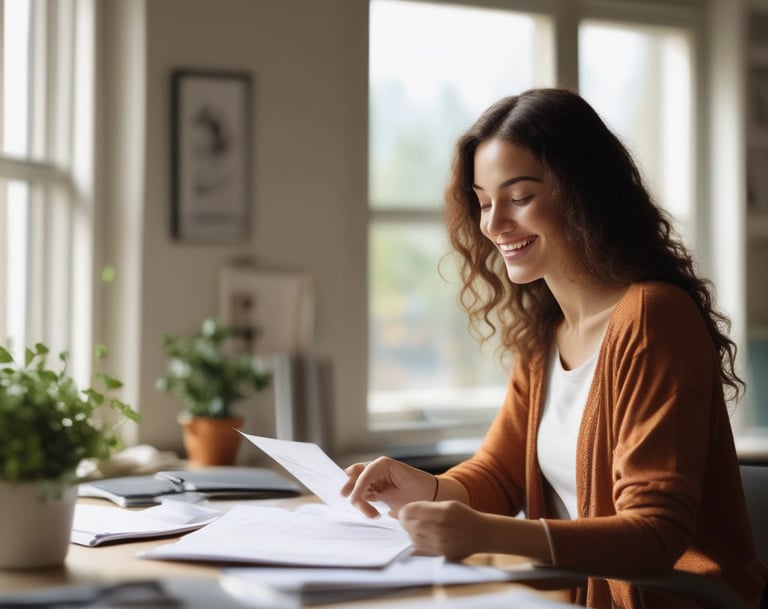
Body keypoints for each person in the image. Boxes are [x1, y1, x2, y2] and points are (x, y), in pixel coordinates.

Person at [341, 88, 768, 609]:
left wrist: (489, 534)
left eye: (519, 198)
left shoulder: (654, 317)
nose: (494, 225)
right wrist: (424, 489)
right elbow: (497, 475)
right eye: (483, 202)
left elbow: (657, 534)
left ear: (582, 191)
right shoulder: (546, 333)